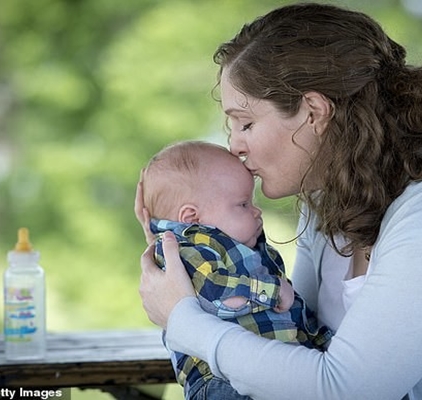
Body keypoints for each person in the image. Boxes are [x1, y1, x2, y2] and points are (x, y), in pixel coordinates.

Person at [136, 3, 422, 400]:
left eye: (245, 123)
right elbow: (293, 339)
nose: (235, 146)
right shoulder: (329, 203)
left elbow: (344, 389)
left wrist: (185, 320)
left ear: (314, 112)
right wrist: (189, 245)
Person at [139, 140, 332, 400]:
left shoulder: (242, 249)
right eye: (243, 204)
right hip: (220, 383)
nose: (257, 211)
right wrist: (273, 292)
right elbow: (216, 291)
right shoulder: (188, 249)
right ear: (192, 218)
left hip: (258, 375)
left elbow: (294, 314)